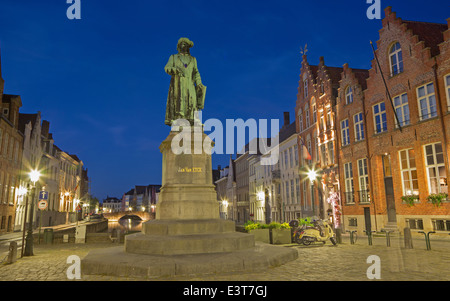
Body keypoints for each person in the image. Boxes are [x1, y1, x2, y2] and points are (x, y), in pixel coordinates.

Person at [164, 37, 206, 126]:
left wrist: (199, 83)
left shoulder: (193, 59)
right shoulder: (174, 57)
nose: (184, 46)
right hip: (178, 83)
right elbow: (167, 68)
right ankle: (180, 120)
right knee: (180, 101)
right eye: (182, 44)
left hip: (190, 83)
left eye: (185, 44)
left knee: (193, 101)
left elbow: (196, 72)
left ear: (188, 47)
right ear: (179, 46)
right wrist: (174, 70)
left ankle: (194, 120)